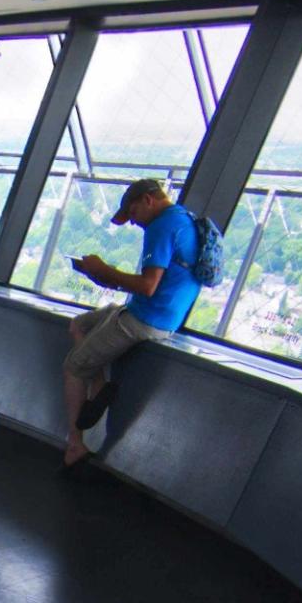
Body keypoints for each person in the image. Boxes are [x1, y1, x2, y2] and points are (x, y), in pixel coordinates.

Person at [57, 178, 200, 470]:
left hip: (146, 318)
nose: (134, 222)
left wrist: (104, 269)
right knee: (79, 325)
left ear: (148, 200)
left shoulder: (162, 226)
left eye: (133, 213)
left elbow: (147, 286)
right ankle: (99, 385)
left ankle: (75, 446)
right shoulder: (184, 219)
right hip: (160, 314)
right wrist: (103, 276)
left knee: (74, 367)